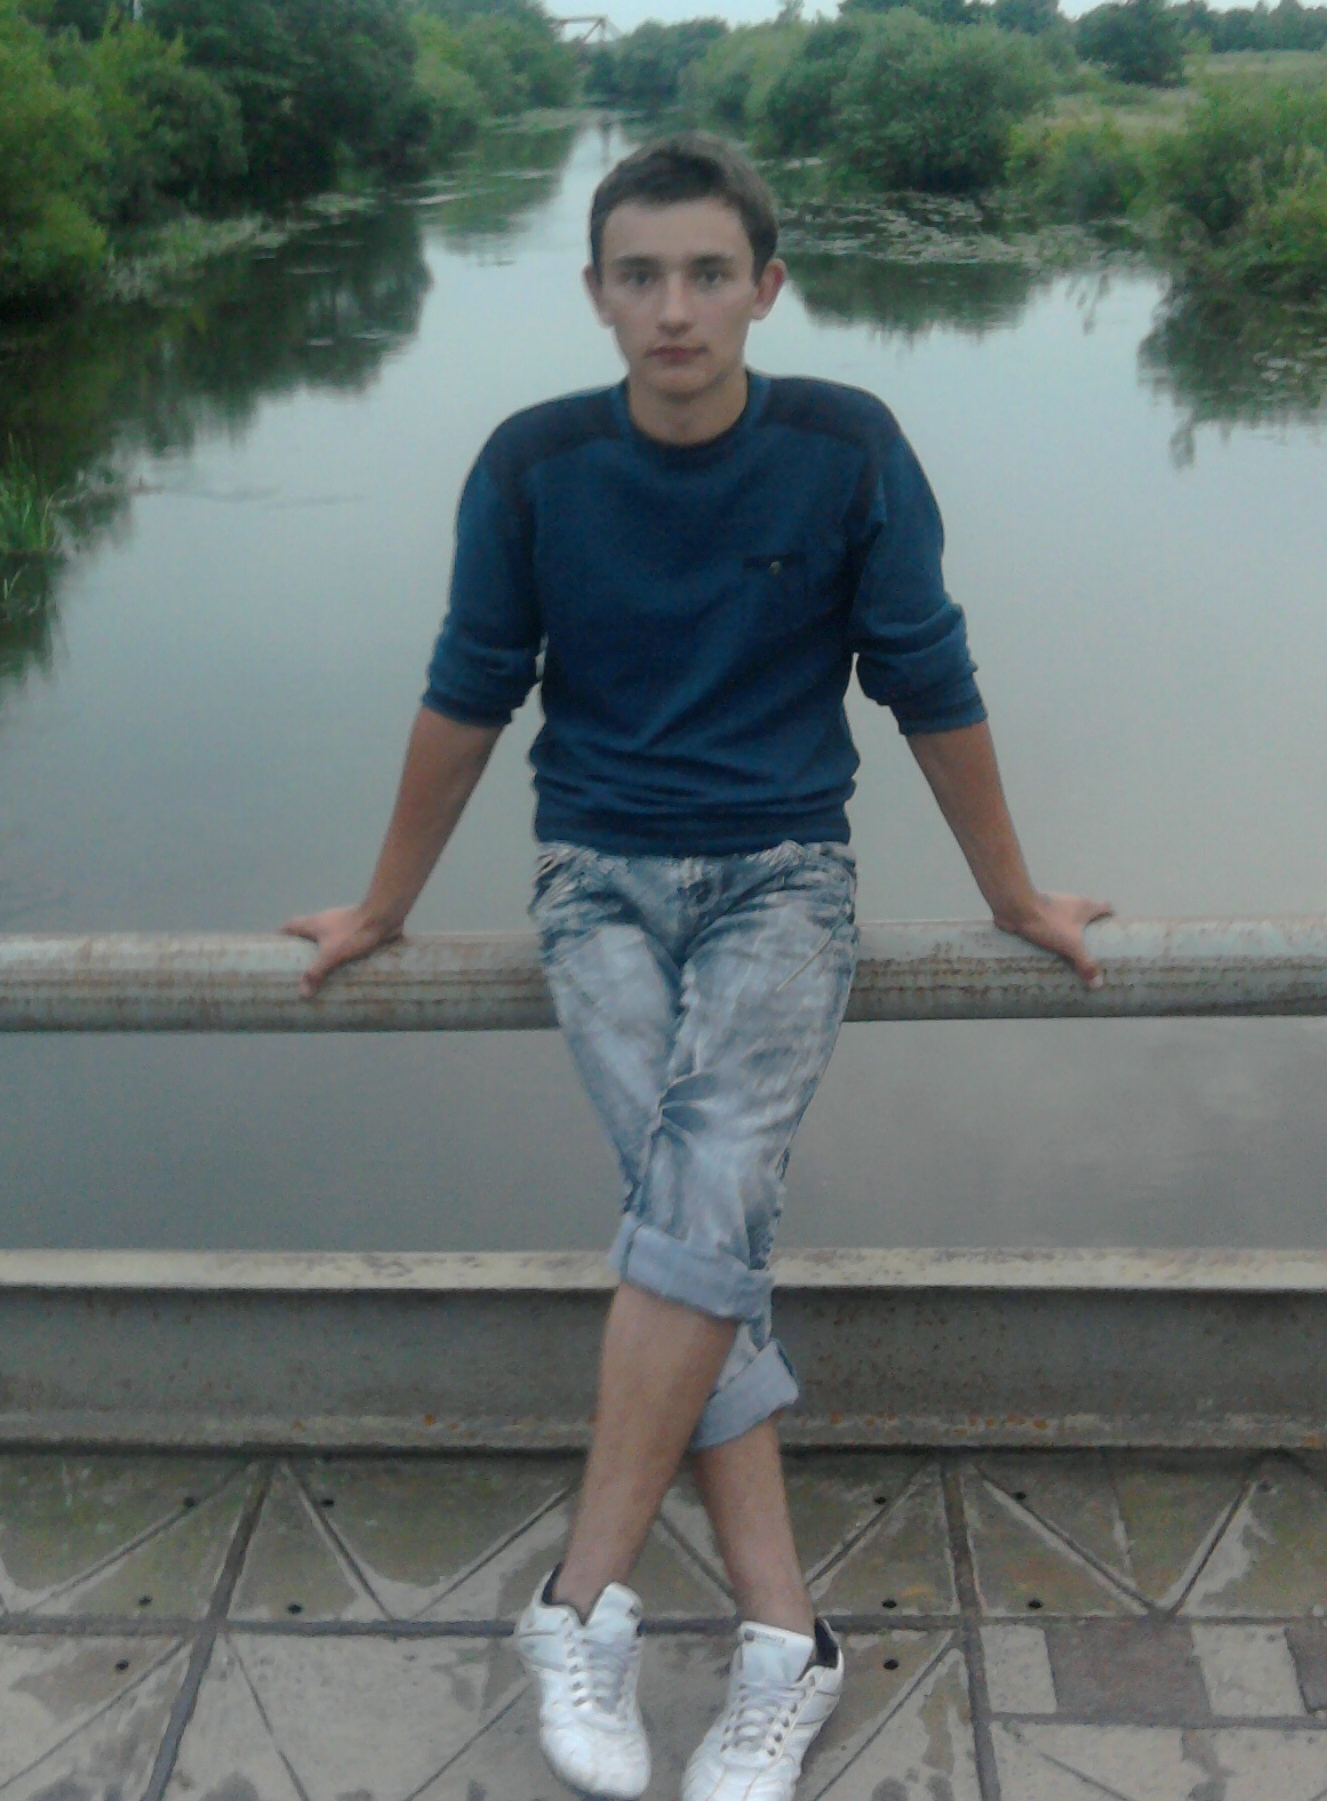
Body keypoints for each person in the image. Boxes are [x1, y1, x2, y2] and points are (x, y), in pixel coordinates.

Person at [285, 133, 1110, 1801]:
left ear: (765, 287)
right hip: (592, 875)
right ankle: (784, 1638)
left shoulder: (845, 447)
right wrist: (380, 905)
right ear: (596, 293)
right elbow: (469, 687)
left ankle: (580, 1598)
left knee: (703, 1184)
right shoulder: (533, 465)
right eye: (642, 276)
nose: (675, 309)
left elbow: (928, 677)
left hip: (785, 875)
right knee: (701, 1219)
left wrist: (1014, 893)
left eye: (708, 274)